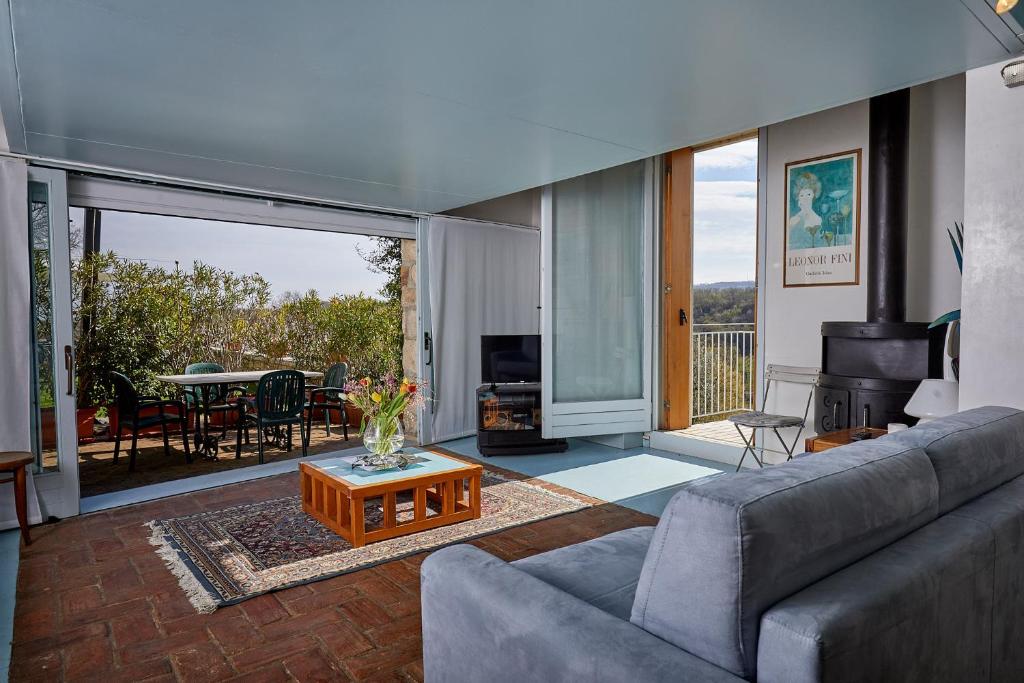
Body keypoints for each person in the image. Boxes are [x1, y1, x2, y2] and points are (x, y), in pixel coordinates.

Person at [788, 171, 822, 249]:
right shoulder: (794, 219)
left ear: (814, 195)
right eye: (802, 195)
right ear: (798, 197)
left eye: (808, 194)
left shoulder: (818, 218)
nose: (805, 198)